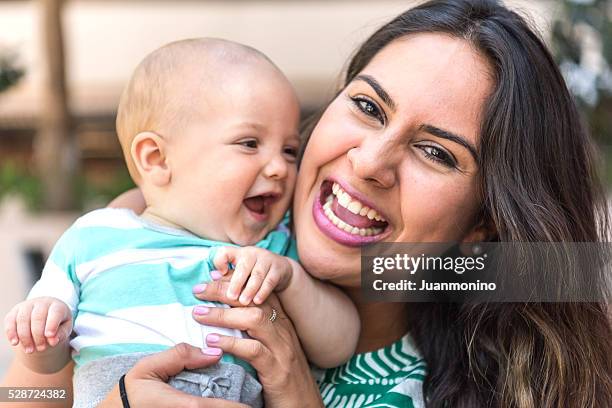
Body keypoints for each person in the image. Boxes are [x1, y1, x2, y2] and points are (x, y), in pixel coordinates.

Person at [3, 0, 612, 407]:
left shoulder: (419, 383)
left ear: (484, 224)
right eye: (368, 107)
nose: (369, 162)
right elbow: (27, 395)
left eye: (436, 153)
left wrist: (296, 392)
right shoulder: (190, 218)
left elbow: (557, 269)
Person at [2, 39, 359, 407]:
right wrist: (38, 337)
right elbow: (30, 388)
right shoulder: (95, 238)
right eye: (250, 143)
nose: (279, 167)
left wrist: (290, 277)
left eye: (289, 150)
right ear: (156, 158)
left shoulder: (270, 252)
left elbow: (339, 343)